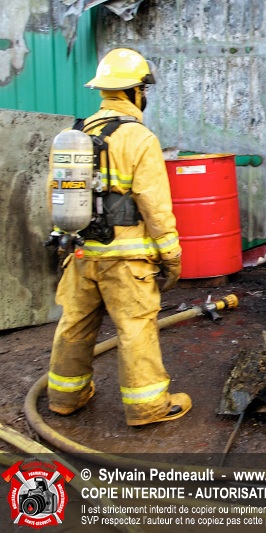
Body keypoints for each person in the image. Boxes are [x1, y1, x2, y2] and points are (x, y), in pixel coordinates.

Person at [47, 48, 191, 427]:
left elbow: (54, 196)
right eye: (144, 90)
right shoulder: (139, 138)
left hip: (80, 255)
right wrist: (171, 257)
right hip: (126, 263)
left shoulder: (75, 135)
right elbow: (155, 207)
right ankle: (148, 407)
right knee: (135, 328)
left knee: (74, 325)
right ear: (135, 91)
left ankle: (65, 397)